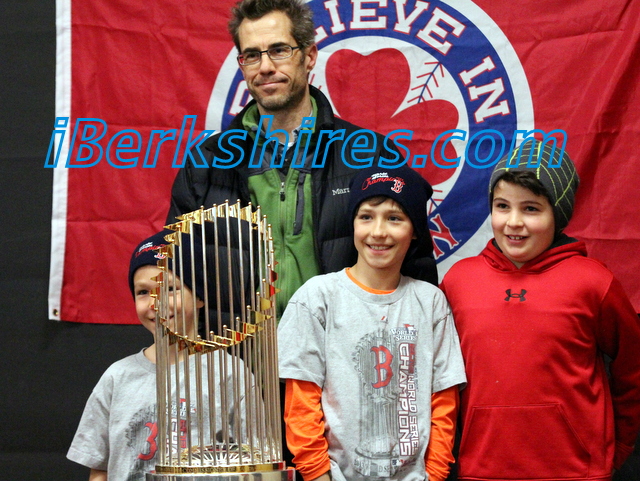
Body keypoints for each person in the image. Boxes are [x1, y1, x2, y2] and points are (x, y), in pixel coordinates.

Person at [167, 0, 437, 316]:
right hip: (240, 345)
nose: (265, 67)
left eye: (279, 50)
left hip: (344, 343)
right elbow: (177, 275)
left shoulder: (371, 155)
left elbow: (413, 271)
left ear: (309, 56)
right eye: (252, 55)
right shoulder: (206, 163)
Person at [440, 143, 640, 481]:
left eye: (531, 209)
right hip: (481, 467)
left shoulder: (594, 282)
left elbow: (632, 371)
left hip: (576, 471)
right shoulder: (458, 281)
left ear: (557, 214)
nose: (514, 222)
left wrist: (619, 448)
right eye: (502, 206)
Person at [277, 165, 467, 481]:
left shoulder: (431, 302)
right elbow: (301, 402)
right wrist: (317, 474)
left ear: (415, 229)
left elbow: (443, 401)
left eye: (394, 218)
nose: (378, 232)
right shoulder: (317, 297)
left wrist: (434, 474)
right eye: (366, 217)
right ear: (352, 223)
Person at [67, 231, 243, 481]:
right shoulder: (117, 377)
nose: (155, 303)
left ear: (199, 297)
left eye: (169, 288)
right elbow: (99, 469)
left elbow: (254, 461)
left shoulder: (229, 373)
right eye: (142, 292)